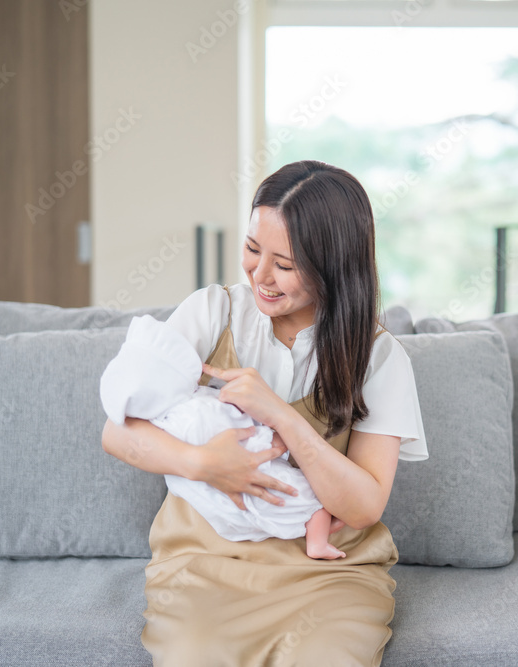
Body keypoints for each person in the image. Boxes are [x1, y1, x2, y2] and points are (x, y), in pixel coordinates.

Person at [101, 160, 428, 666]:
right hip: (206, 561)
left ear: (334, 266)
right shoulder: (214, 313)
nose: (260, 275)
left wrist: (283, 417)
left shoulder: (379, 358)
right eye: (253, 250)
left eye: (286, 264)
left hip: (326, 575)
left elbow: (364, 507)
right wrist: (204, 465)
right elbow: (117, 433)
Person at [99, 312, 348, 558]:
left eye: (283, 267)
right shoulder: (198, 409)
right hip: (247, 488)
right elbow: (244, 436)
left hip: (219, 520)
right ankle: (317, 542)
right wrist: (277, 436)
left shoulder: (162, 419)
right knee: (314, 501)